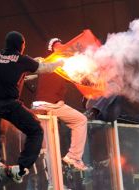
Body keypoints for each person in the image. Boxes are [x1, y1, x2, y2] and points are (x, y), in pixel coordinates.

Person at [0, 31, 64, 183]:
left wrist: (31, 63)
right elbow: (47, 68)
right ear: (21, 45)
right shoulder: (21, 59)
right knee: (36, 130)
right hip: (7, 105)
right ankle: (21, 168)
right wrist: (61, 62)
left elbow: (12, 71)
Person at [29, 38, 90, 171]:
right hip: (50, 106)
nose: (62, 48)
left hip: (42, 105)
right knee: (80, 120)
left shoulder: (50, 64)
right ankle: (73, 157)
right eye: (58, 46)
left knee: (48, 149)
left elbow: (77, 79)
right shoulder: (53, 62)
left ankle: (52, 182)